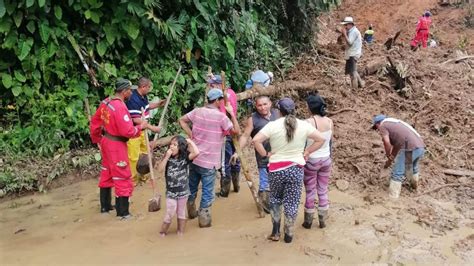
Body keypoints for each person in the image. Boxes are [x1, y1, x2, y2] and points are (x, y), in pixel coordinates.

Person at [252, 98, 325, 243]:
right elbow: (320, 139)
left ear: (279, 111)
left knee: (275, 200)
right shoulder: (303, 125)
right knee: (292, 202)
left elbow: (256, 140)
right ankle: (289, 234)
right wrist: (307, 152)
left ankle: (275, 232)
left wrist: (265, 154)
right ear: (294, 109)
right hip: (296, 169)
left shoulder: (272, 125)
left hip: (275, 170)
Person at [179, 88, 240, 228]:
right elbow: (236, 131)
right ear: (218, 101)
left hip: (194, 157)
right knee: (207, 190)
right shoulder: (221, 117)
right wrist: (232, 114)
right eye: (222, 101)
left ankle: (191, 209)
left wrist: (191, 135)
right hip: (209, 161)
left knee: (192, 186)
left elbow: (181, 120)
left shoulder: (197, 111)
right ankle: (204, 219)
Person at [90, 78, 151, 219]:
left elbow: (95, 122)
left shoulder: (106, 102)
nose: (131, 92)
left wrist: (98, 140)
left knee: (107, 172)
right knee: (123, 175)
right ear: (124, 92)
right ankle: (123, 212)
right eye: (130, 90)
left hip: (106, 141)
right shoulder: (120, 108)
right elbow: (127, 132)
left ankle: (105, 207)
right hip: (116, 145)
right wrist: (140, 128)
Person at [239, 95, 279, 212]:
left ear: (270, 103)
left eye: (265, 104)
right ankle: (266, 206)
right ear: (255, 106)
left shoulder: (277, 114)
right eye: (259, 105)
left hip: (279, 155)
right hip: (263, 156)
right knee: (264, 183)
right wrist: (238, 151)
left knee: (277, 180)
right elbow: (246, 135)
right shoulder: (253, 119)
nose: (262, 108)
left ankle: (276, 202)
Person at [372, 115, 425, 199]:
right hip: (420, 147)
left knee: (397, 172)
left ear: (378, 124)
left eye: (376, 127)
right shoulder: (395, 124)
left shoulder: (383, 125)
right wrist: (390, 159)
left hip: (409, 148)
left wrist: (387, 153)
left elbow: (386, 142)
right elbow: (396, 147)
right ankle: (414, 188)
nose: (377, 130)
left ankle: (393, 198)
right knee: (410, 168)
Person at [302, 94, 334, 229]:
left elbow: (302, 142)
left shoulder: (307, 123)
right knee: (323, 189)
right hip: (326, 159)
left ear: (309, 107)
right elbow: (331, 141)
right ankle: (322, 220)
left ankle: (308, 221)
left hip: (312, 160)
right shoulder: (330, 121)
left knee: (310, 190)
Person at [207, 74, 241, 198]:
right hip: (233, 129)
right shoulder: (231, 92)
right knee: (235, 156)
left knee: (224, 161)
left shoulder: (220, 98)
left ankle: (224, 191)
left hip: (225, 133)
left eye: (213, 85)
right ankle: (236, 185)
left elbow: (220, 117)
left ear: (219, 85)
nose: (211, 87)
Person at [158, 135, 199, 236]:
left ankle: (180, 233)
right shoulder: (168, 158)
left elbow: (197, 153)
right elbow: (159, 170)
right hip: (171, 192)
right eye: (171, 144)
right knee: (170, 212)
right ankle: (162, 232)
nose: (171, 147)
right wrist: (167, 157)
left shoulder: (185, 158)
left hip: (183, 191)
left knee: (181, 212)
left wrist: (190, 142)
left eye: (175, 145)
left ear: (180, 147)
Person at [125, 77, 164, 185]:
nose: (149, 89)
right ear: (143, 87)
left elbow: (146, 107)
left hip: (143, 131)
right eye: (148, 87)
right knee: (134, 157)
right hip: (134, 132)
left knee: (145, 153)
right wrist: (152, 128)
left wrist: (157, 104)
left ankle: (143, 175)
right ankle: (133, 180)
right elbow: (136, 119)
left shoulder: (143, 96)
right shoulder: (133, 99)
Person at [340, 16, 365, 89]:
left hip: (353, 54)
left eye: (346, 25)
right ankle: (361, 84)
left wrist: (344, 34)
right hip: (352, 53)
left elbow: (350, 42)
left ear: (350, 24)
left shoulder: (354, 32)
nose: (345, 27)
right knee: (353, 70)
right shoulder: (352, 31)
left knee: (352, 72)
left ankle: (355, 88)